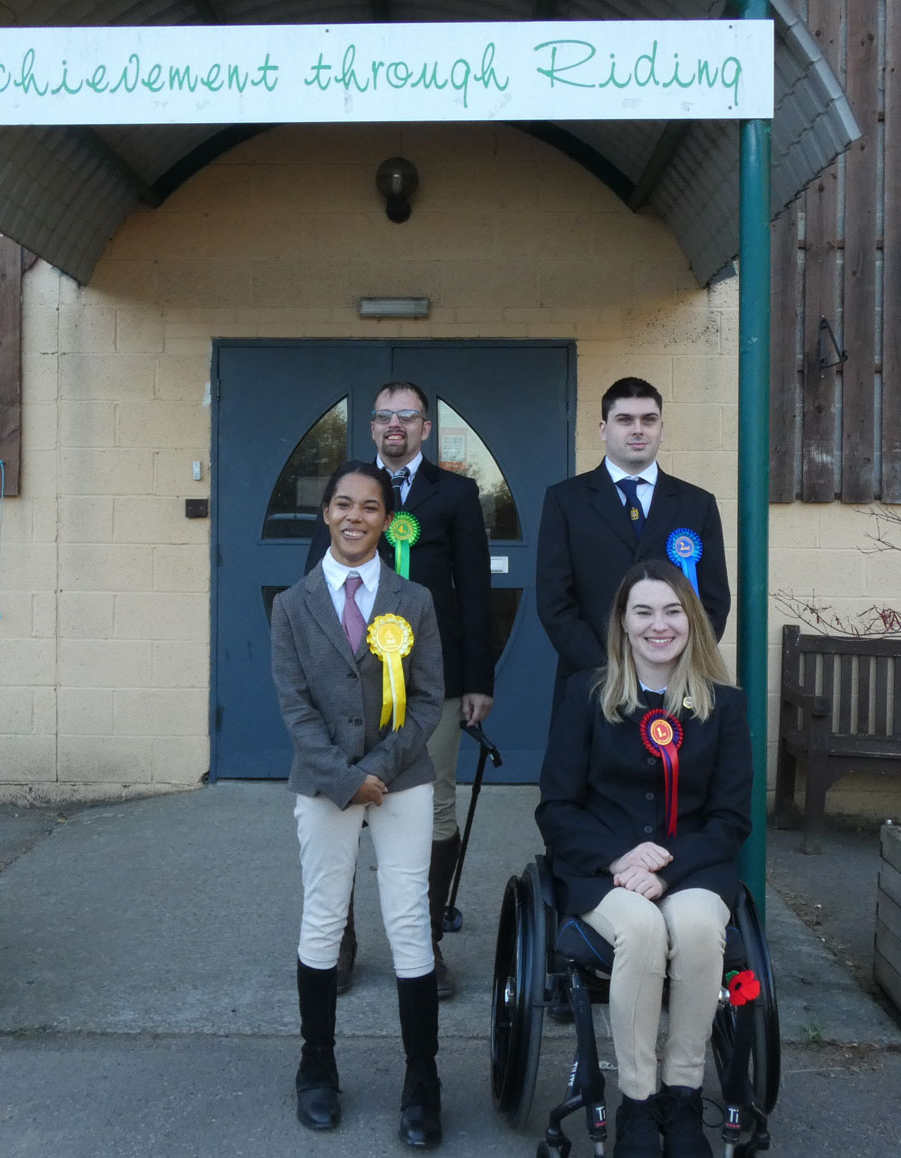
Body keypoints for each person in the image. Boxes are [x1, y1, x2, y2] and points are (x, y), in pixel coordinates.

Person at [535, 559, 753, 1158]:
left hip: (694, 866)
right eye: (644, 612)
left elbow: (731, 819)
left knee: (699, 928)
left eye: (673, 611)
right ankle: (636, 1100)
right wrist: (619, 859)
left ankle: (682, 1096)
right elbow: (556, 807)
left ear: (692, 620)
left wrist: (666, 866)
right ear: (623, 624)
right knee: (641, 929)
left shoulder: (725, 706)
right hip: (603, 870)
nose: (660, 625)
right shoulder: (586, 695)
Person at [272, 460, 445, 1147]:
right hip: (324, 783)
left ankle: (423, 1079)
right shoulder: (292, 605)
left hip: (402, 779)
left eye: (370, 507)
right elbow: (295, 708)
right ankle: (316, 1066)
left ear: (386, 520)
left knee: (409, 921)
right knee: (322, 917)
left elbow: (428, 698)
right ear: (326, 514)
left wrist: (376, 769)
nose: (355, 517)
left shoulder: (414, 599)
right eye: (343, 504)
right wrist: (345, 779)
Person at [305, 380, 494, 998]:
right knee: (342, 800)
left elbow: (475, 590)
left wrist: (479, 679)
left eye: (407, 416)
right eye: (384, 415)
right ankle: (340, 942)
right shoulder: (348, 491)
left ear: (425, 428)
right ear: (371, 427)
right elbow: (314, 585)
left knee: (432, 805)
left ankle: (425, 940)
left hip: (433, 684)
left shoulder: (457, 494)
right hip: (348, 683)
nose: (395, 424)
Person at [536, 376, 730, 727]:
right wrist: (611, 670)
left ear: (661, 429)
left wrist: (671, 664)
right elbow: (554, 603)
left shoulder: (697, 504)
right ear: (603, 429)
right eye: (625, 419)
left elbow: (714, 602)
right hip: (592, 683)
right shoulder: (565, 500)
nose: (638, 429)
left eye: (648, 420)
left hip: (677, 688)